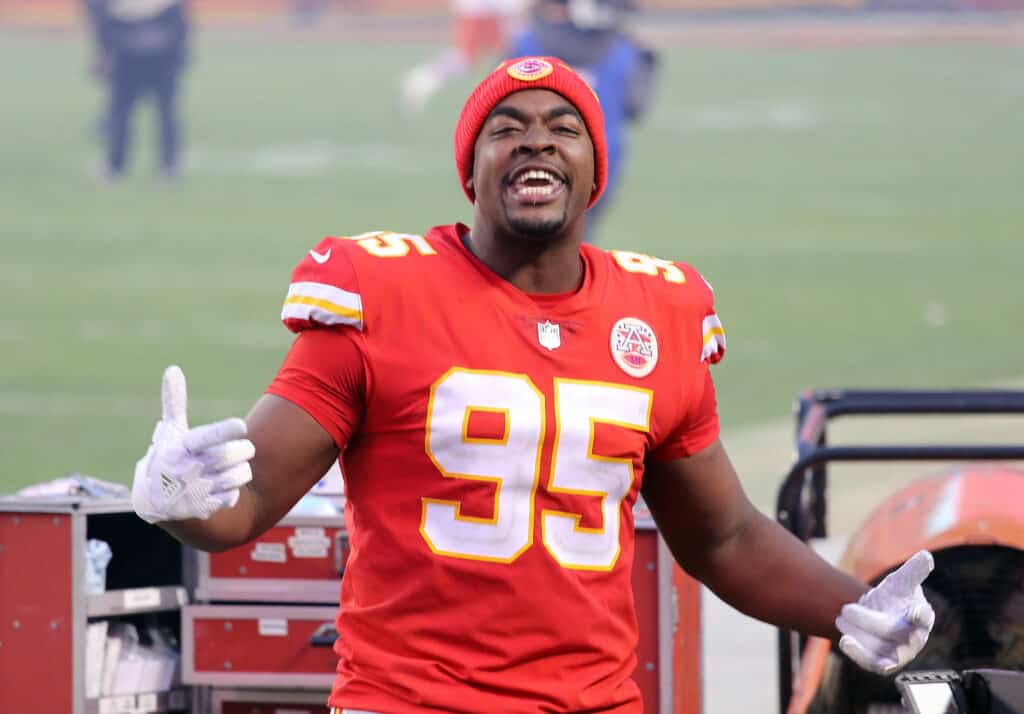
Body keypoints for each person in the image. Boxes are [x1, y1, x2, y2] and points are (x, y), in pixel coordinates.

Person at [132, 56, 935, 712]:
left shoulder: (661, 312)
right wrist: (183, 503)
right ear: (471, 174)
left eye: (563, 127)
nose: (535, 141)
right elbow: (246, 504)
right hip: (410, 703)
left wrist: (846, 605)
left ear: (594, 172)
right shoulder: (377, 292)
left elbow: (721, 537)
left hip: (592, 704)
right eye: (505, 129)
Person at [507, 0, 657, 239]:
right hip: (600, 161)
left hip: (533, 159)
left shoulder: (527, 45)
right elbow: (635, 106)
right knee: (572, 243)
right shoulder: (626, 51)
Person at [92, 0, 189, 180]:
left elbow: (105, 23)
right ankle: (168, 166)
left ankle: (116, 167)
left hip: (131, 55)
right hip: (156, 55)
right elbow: (180, 25)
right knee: (163, 113)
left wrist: (105, 53)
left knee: (123, 113)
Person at [399, 0, 527, 113]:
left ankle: (421, 80)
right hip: (485, 11)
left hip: (489, 11)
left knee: (512, 52)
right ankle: (421, 81)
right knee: (465, 59)